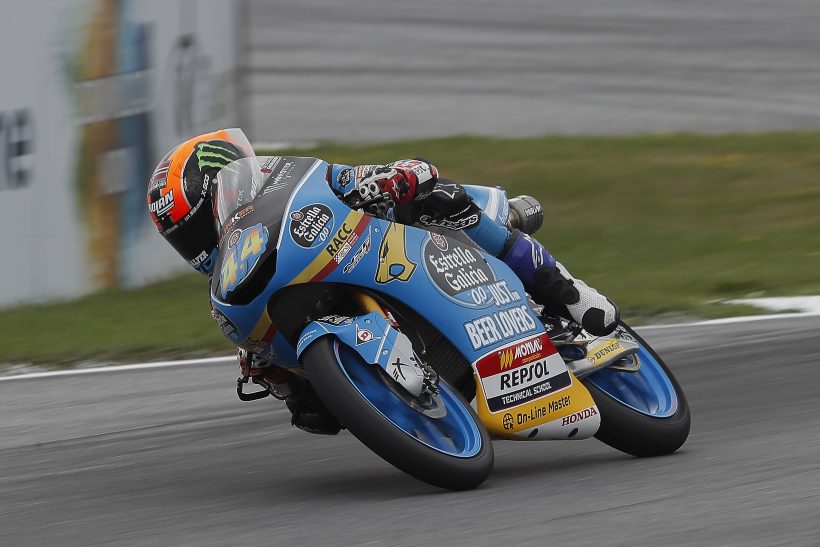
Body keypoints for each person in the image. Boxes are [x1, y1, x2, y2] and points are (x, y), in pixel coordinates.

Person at [147, 128, 619, 434]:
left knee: (442, 197)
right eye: (185, 239)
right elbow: (316, 420)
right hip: (334, 284)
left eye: (198, 226)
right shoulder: (237, 275)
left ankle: (568, 292)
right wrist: (276, 374)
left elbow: (384, 173)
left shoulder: (288, 178)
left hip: (404, 241)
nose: (200, 244)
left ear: (228, 182)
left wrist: (389, 180)